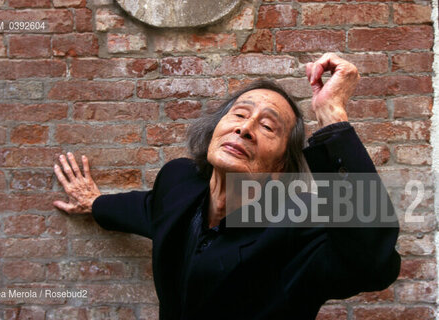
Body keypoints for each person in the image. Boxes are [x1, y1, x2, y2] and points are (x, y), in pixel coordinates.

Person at [53, 53, 400, 319]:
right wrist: (94, 202)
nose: (245, 127)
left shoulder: (301, 230)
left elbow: (374, 261)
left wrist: (332, 116)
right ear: (215, 128)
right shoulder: (180, 181)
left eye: (268, 126)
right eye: (239, 113)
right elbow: (147, 209)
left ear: (280, 168)